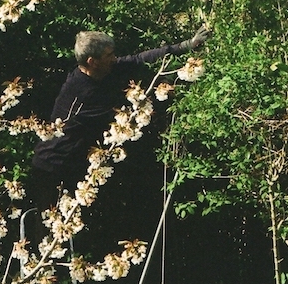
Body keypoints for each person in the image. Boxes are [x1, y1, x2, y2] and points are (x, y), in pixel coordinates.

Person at [31, 27, 210, 210]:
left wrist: (186, 45)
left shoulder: (102, 70)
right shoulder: (79, 93)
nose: (114, 58)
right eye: (109, 55)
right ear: (93, 61)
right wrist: (159, 95)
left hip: (80, 164)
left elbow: (140, 59)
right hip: (53, 167)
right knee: (54, 226)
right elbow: (117, 116)